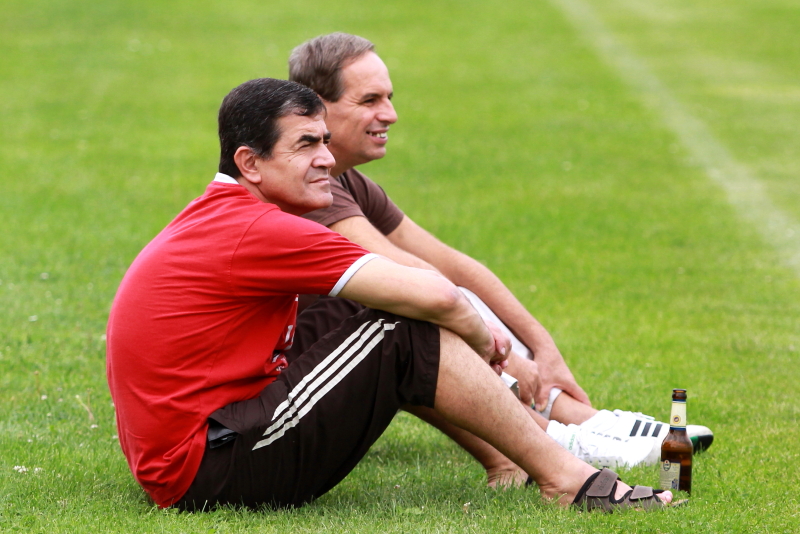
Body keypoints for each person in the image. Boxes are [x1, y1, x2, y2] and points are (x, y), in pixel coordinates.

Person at [106, 78, 672, 512]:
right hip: (205, 469)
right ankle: (568, 477)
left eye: (325, 141)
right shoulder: (258, 227)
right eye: (306, 145)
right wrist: (488, 343)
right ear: (250, 163)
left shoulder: (226, 212)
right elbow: (438, 297)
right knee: (403, 329)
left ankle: (522, 454)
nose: (326, 158)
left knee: (371, 307)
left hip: (203, 444)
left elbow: (436, 275)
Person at [287, 33, 713, 484]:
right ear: (317, 107)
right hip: (278, 401)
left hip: (320, 371)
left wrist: (543, 349)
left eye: (389, 98)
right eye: (370, 100)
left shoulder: (344, 179)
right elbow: (405, 275)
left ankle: (581, 424)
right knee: (400, 307)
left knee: (428, 296)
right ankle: (547, 444)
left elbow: (452, 265)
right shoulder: (306, 187)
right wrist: (500, 352)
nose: (390, 114)